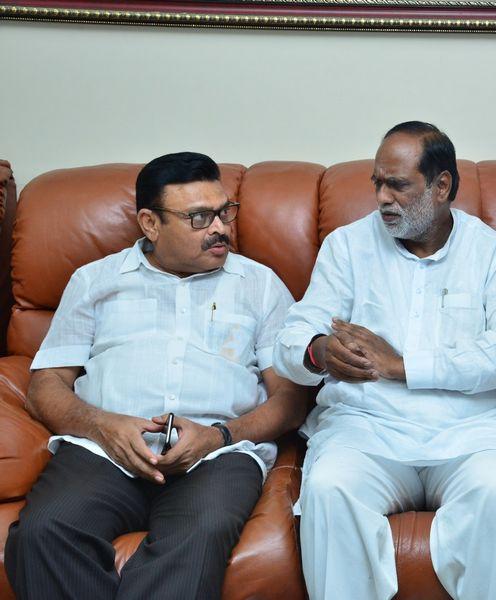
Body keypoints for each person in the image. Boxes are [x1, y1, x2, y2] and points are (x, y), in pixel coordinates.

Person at [274, 121, 496, 600]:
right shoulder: (347, 247)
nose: (383, 198)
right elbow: (291, 338)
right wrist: (320, 350)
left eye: (398, 185)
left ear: (442, 186)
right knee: (328, 485)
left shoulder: (493, 253)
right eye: (378, 184)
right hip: (368, 428)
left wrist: (401, 365)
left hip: (472, 431)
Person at [5, 152, 304, 599]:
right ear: (150, 223)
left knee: (198, 537)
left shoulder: (260, 285)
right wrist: (102, 426)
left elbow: (290, 400)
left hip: (216, 455)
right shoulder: (95, 281)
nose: (221, 228)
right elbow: (46, 384)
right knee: (41, 533)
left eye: (225, 212)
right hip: (103, 452)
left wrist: (219, 435)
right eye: (200, 217)